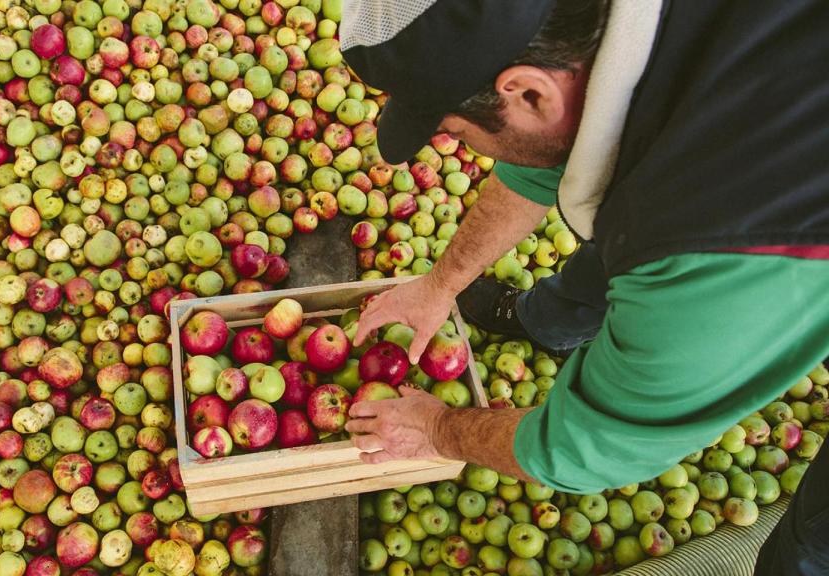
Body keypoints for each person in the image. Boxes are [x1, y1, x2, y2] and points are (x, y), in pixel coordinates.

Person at [337, 0, 829, 573]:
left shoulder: (706, 250)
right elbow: (543, 159)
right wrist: (440, 283)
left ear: (528, 93)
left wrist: (440, 428)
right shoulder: (596, 41)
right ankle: (552, 320)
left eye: (459, 134)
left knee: (812, 543)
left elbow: (587, 445)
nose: (464, 150)